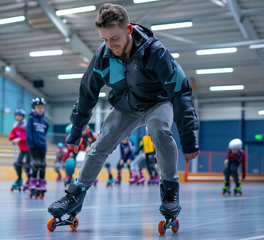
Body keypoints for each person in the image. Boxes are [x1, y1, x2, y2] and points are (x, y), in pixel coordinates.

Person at [47, 4, 199, 233]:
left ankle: (169, 189)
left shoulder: (155, 52)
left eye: (114, 38)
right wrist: (77, 130)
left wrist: (188, 137)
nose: (110, 45)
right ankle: (75, 194)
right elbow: (87, 93)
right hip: (127, 107)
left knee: (159, 131)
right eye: (105, 39)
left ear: (128, 29)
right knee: (101, 143)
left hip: (159, 102)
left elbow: (180, 91)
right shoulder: (103, 56)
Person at [26, 97, 49, 198]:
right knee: (36, 164)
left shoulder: (45, 121)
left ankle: (42, 183)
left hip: (42, 146)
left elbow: (45, 131)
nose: (40, 109)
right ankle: (33, 182)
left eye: (42, 107)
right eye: (38, 107)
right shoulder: (31, 119)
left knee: (43, 164)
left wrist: (43, 141)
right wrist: (31, 144)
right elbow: (28, 133)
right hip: (34, 146)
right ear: (34, 108)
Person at [9, 108, 31, 191]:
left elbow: (29, 137)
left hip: (29, 149)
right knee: (17, 164)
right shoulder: (15, 126)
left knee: (28, 165)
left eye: (20, 116)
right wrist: (13, 140)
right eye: (17, 116)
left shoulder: (27, 125)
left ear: (22, 116)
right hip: (22, 149)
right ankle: (19, 179)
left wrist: (20, 139)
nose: (18, 117)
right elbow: (11, 136)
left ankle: (29, 181)